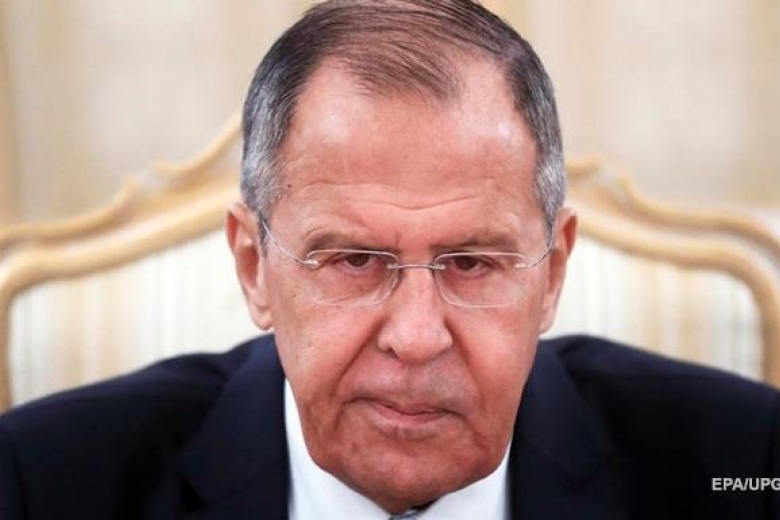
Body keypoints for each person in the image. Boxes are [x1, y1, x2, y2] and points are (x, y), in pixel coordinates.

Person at [1, 1, 778, 519]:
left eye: (471, 262)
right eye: (353, 260)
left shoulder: (746, 466)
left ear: (552, 272)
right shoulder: (41, 482)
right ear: (253, 266)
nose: (415, 337)